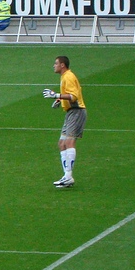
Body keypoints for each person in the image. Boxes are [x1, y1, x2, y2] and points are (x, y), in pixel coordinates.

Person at [43, 56, 87, 188]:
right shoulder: (65, 77)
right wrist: (60, 101)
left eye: (56, 63)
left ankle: (68, 176)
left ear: (62, 65)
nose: (54, 65)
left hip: (77, 111)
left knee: (69, 142)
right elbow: (69, 95)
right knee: (62, 143)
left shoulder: (68, 76)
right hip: (70, 112)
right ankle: (66, 176)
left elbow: (74, 97)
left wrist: (56, 95)